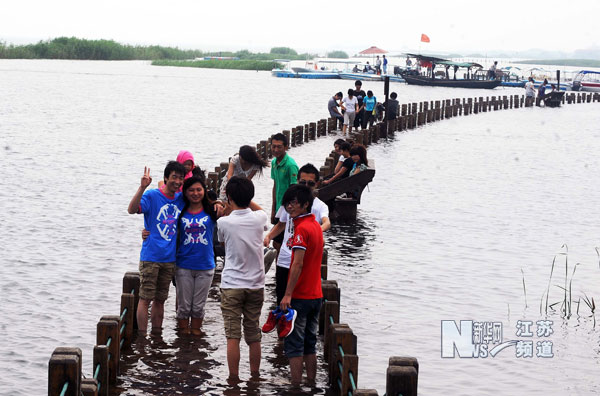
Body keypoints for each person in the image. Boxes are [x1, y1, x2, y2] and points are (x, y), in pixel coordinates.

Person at [217, 176, 268, 380]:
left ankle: (233, 379)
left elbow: (221, 243)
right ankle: (255, 376)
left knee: (232, 336)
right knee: (253, 333)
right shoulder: (259, 219)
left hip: (231, 285)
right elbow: (260, 210)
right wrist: (247, 201)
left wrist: (227, 206)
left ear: (229, 197)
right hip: (256, 284)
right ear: (250, 196)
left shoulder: (223, 222)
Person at [127, 161, 187, 334]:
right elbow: (131, 210)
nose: (177, 181)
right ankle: (142, 337)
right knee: (145, 299)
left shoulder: (181, 199)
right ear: (166, 178)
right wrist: (142, 188)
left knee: (161, 299)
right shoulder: (152, 196)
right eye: (174, 177)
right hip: (151, 257)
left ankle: (157, 333)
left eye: (180, 178)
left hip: (169, 259)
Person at [264, 164, 330, 305]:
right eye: (302, 182)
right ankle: (281, 324)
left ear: (316, 184)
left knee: (299, 302)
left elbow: (327, 222)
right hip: (285, 259)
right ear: (297, 181)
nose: (306, 186)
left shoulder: (320, 206)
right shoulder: (289, 203)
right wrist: (269, 236)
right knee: (281, 299)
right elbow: (281, 224)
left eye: (310, 183)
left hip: (304, 261)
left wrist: (315, 231)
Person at [278, 184, 324, 387]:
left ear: (306, 204)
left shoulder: (301, 229)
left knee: (294, 344)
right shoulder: (315, 225)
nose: (290, 206)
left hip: (301, 296)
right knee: (310, 343)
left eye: (294, 203)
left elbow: (297, 264)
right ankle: (311, 382)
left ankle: (295, 385)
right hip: (316, 295)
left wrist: (287, 295)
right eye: (288, 202)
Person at [175, 176, 220, 335]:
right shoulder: (179, 212)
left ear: (205, 191)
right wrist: (147, 233)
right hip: (183, 265)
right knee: (184, 307)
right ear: (185, 193)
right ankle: (182, 338)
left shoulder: (212, 211)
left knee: (198, 307)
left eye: (199, 190)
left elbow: (232, 212)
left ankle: (195, 336)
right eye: (191, 190)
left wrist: (220, 204)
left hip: (205, 266)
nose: (195, 193)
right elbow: (164, 227)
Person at [270, 133, 299, 250]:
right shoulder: (274, 163)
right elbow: (275, 185)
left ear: (286, 147)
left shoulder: (290, 165)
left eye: (279, 147)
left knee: (281, 243)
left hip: (287, 209)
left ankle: (282, 266)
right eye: (273, 146)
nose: (276, 150)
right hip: (278, 208)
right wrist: (273, 209)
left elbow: (294, 189)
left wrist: (291, 211)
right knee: (277, 243)